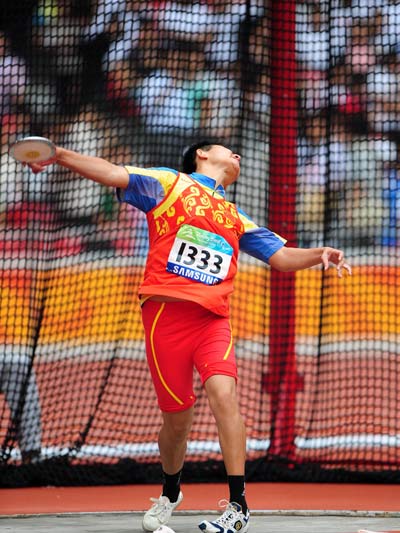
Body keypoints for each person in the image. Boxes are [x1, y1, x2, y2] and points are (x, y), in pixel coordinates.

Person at [28, 139, 351, 532]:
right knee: (177, 423)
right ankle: (170, 491)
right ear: (201, 154)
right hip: (165, 317)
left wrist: (319, 253)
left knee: (224, 394)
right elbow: (112, 172)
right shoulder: (169, 183)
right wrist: (59, 155)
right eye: (227, 149)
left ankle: (238, 504)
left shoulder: (235, 216)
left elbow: (281, 257)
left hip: (212, 320)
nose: (238, 153)